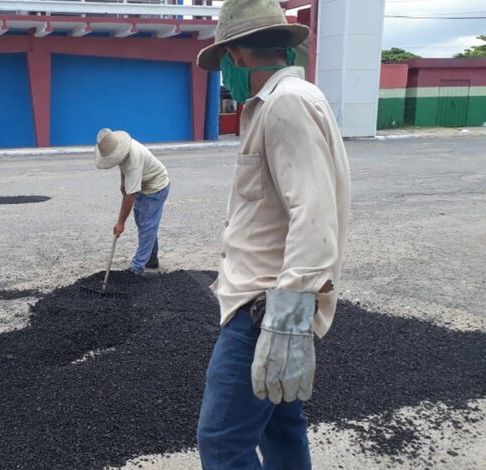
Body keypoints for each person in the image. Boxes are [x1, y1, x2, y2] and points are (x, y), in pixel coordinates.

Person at [194, 0, 351, 468]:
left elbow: (314, 211)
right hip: (268, 299)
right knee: (281, 426)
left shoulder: (287, 105)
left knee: (222, 441)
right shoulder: (278, 104)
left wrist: (287, 317)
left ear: (238, 54)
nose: (224, 73)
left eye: (224, 62)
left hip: (263, 307)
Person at [94, 128, 170, 274]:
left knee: (147, 226)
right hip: (142, 184)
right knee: (144, 224)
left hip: (155, 187)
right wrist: (123, 182)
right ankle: (151, 259)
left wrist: (121, 222)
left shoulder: (134, 160)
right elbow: (122, 165)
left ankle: (137, 268)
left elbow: (130, 196)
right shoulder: (121, 149)